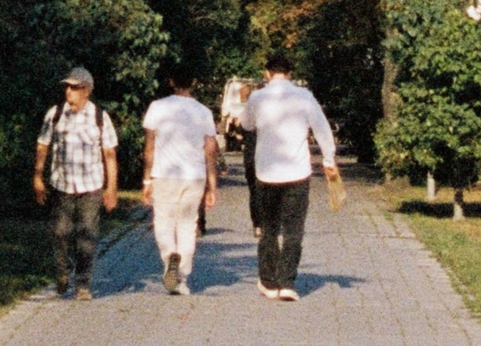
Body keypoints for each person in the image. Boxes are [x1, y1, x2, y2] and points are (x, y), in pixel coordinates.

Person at [240, 46, 340, 300]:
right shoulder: (304, 97)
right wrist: (328, 158)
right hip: (297, 172)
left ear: (267, 73)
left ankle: (268, 281)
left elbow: (246, 124)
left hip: (266, 172)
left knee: (269, 229)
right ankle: (287, 283)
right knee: (294, 229)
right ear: (289, 73)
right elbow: (322, 128)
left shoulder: (258, 97)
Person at [31, 65, 119, 298]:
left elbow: (109, 154)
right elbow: (43, 145)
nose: (68, 91)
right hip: (62, 184)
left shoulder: (100, 117)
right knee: (60, 232)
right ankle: (63, 270)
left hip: (91, 186)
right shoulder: (56, 114)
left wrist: (111, 188)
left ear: (86, 90)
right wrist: (38, 176)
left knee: (87, 236)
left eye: (74, 87)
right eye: (67, 87)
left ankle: (82, 284)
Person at [140, 69, 219, 295]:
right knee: (187, 224)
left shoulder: (157, 107)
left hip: (164, 173)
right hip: (194, 175)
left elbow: (149, 147)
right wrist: (212, 186)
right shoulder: (203, 111)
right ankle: (181, 275)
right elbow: (210, 151)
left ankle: (170, 259)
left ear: (171, 81)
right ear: (193, 82)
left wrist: (147, 179)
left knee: (164, 222)